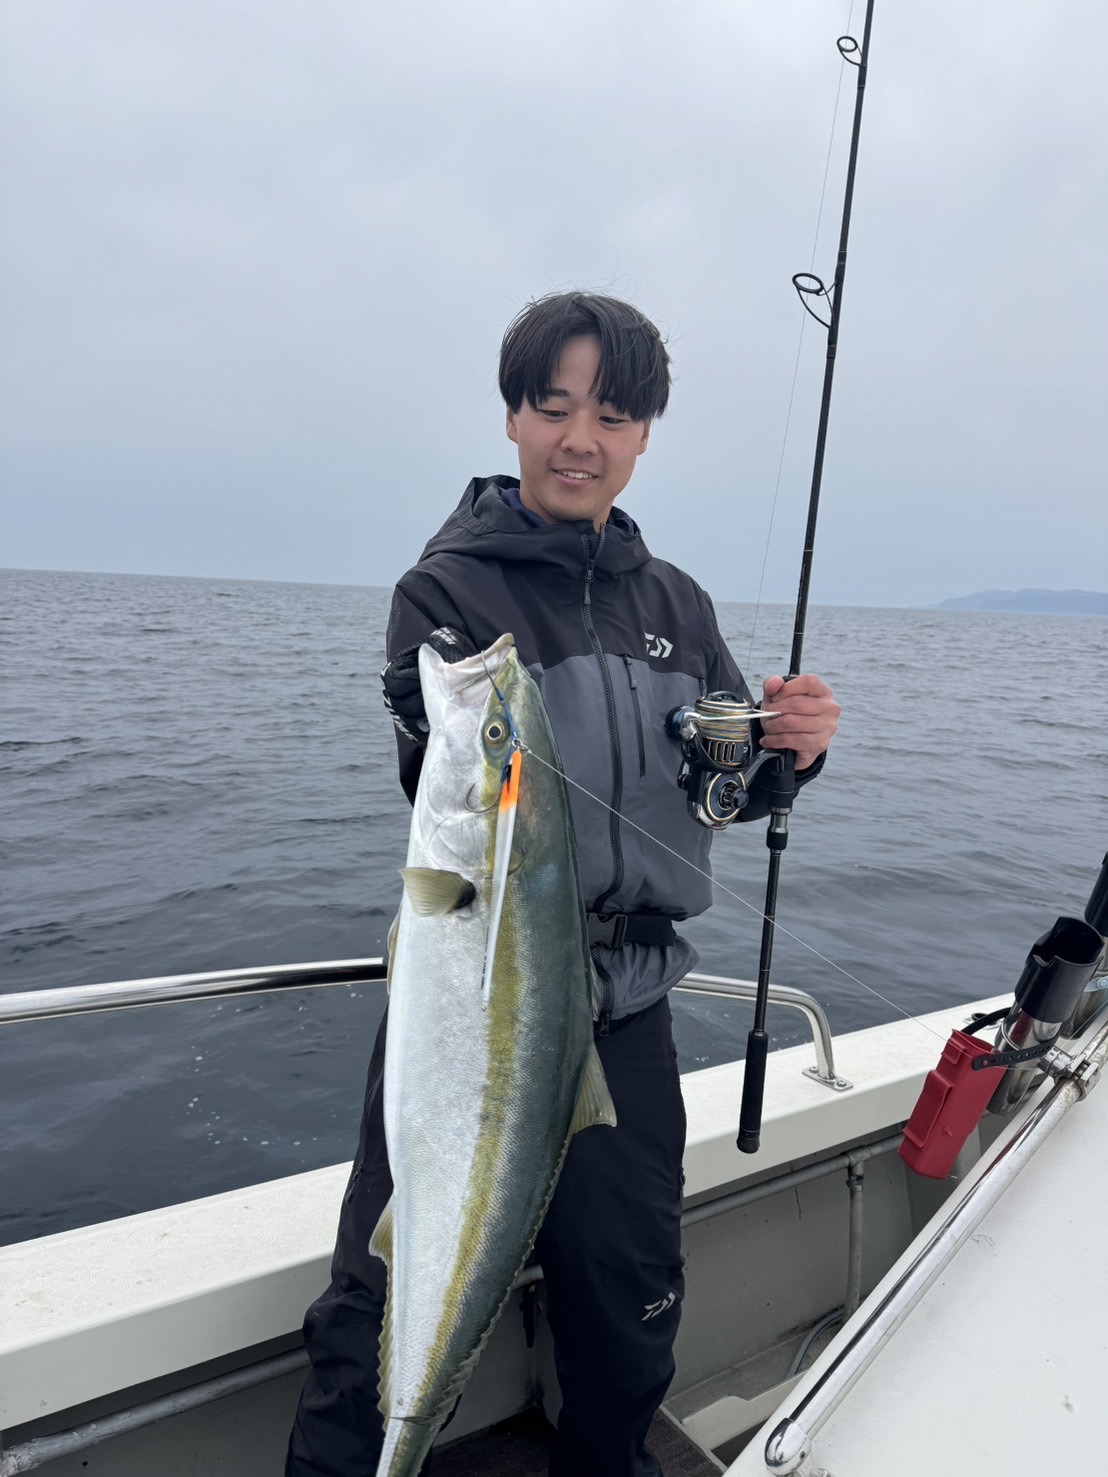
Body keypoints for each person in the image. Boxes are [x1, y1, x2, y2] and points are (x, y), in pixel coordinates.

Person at [286, 292, 840, 1477]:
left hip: (626, 1017)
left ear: (643, 436)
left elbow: (718, 792)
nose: (579, 439)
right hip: (475, 1000)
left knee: (631, 1306)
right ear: (512, 418)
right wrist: (442, 714)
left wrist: (785, 754)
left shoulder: (677, 604)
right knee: (374, 1305)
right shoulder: (448, 590)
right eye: (553, 408)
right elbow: (435, 770)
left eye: (611, 416)